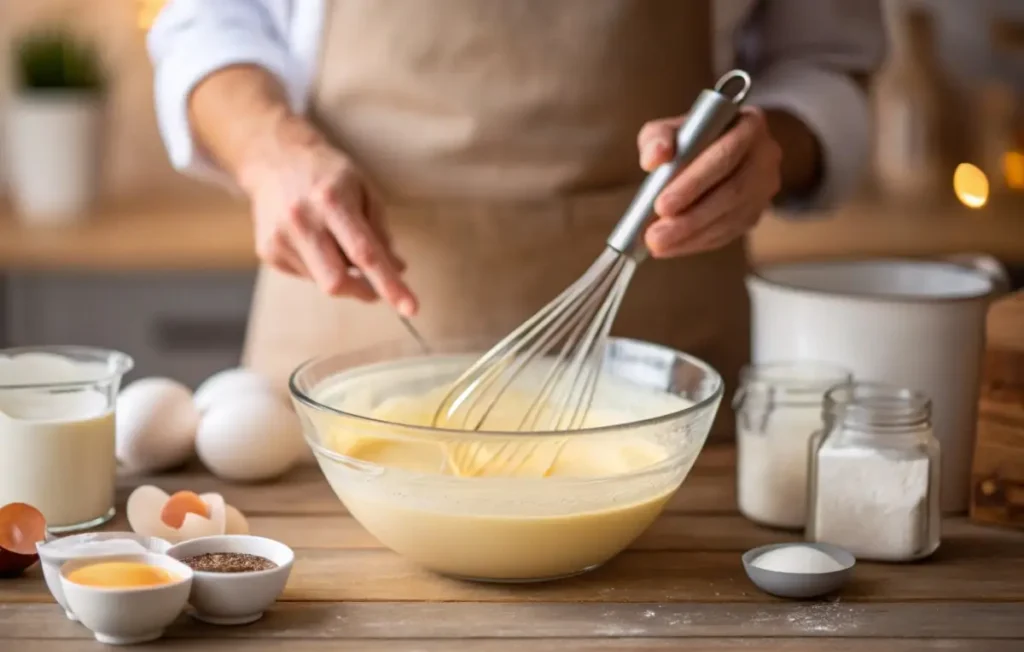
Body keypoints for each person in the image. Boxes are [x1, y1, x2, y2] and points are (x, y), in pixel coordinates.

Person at [148, 0, 885, 439]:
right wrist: (268, 146)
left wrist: (773, 147)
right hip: (341, 343)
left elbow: (825, 65)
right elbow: (207, 20)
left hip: (665, 377)